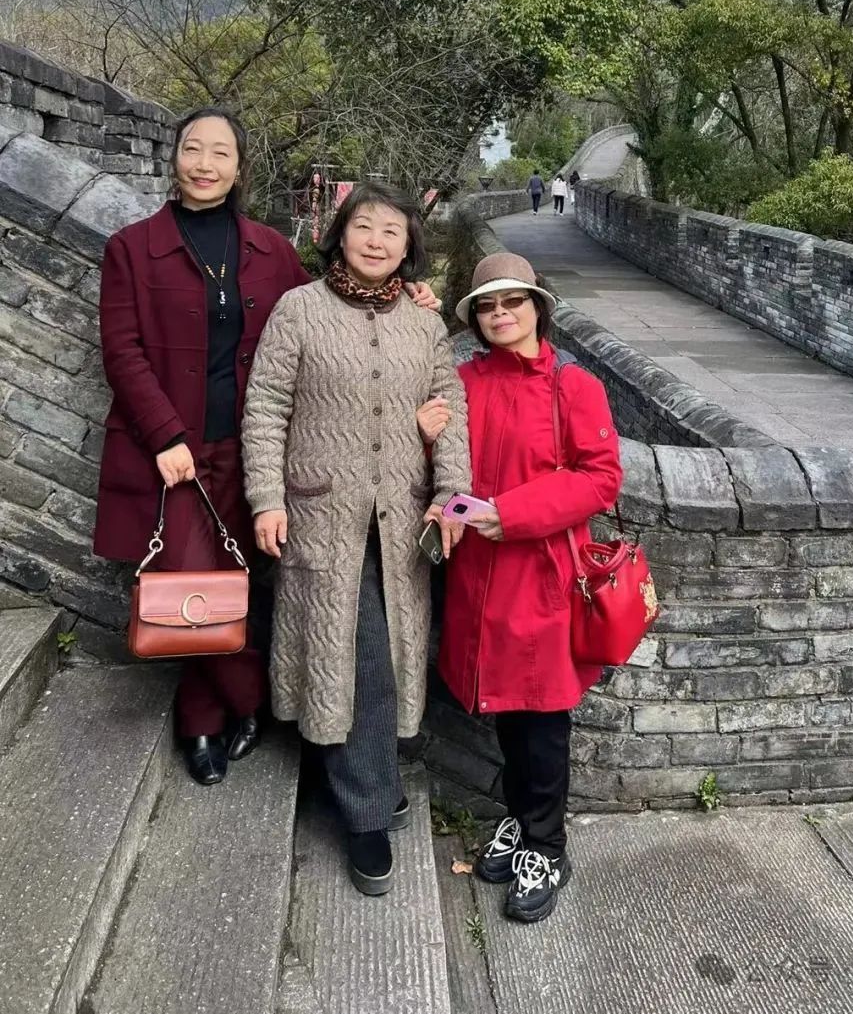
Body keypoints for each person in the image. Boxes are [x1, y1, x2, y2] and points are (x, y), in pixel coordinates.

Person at [93, 109, 441, 789]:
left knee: (238, 580)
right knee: (189, 578)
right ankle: (236, 702)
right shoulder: (132, 248)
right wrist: (164, 434)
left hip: (257, 448)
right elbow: (122, 351)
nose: (204, 164)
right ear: (174, 158)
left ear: (239, 167)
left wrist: (411, 297)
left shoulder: (269, 249)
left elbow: (330, 306)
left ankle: (215, 713)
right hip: (177, 451)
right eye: (193, 149)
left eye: (220, 153)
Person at [241, 182, 471, 898]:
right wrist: (266, 498)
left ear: (409, 247)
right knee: (356, 654)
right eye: (363, 226)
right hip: (320, 515)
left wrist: (451, 497)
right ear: (339, 234)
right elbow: (266, 407)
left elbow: (450, 412)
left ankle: (364, 778)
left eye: (392, 231)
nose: (376, 240)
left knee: (391, 653)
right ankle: (366, 809)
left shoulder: (424, 324)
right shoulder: (299, 310)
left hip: (401, 520)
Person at [438, 252, 622, 924]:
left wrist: (510, 514)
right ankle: (520, 818)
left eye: (512, 301)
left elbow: (601, 477)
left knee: (542, 719)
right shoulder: (463, 381)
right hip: (477, 577)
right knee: (507, 711)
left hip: (540, 577)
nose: (500, 314)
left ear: (536, 307)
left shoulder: (572, 385)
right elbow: (450, 468)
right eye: (487, 306)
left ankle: (546, 846)